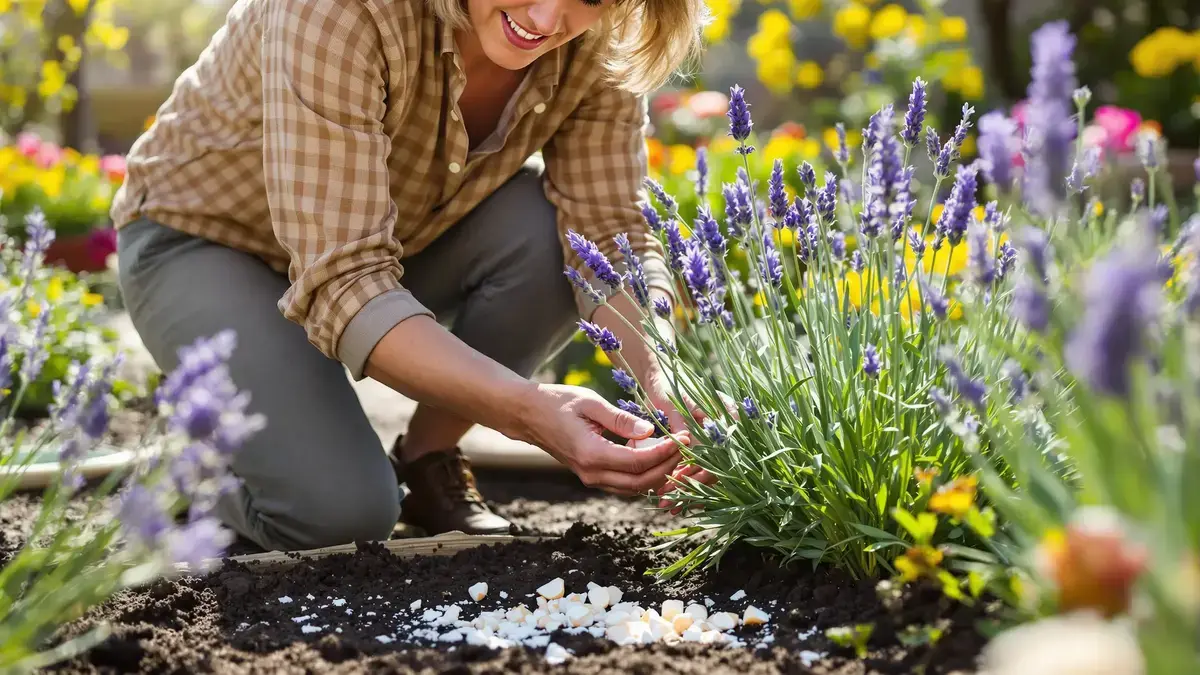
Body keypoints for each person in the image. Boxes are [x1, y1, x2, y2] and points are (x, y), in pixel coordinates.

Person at [111, 0, 713, 552]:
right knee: (339, 517)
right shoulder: (339, 11)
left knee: (553, 236)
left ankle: (427, 460)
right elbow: (343, 280)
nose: (546, 19)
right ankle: (193, 462)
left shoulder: (597, 42)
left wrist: (664, 377)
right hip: (207, 245)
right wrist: (527, 411)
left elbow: (608, 235)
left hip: (392, 244)